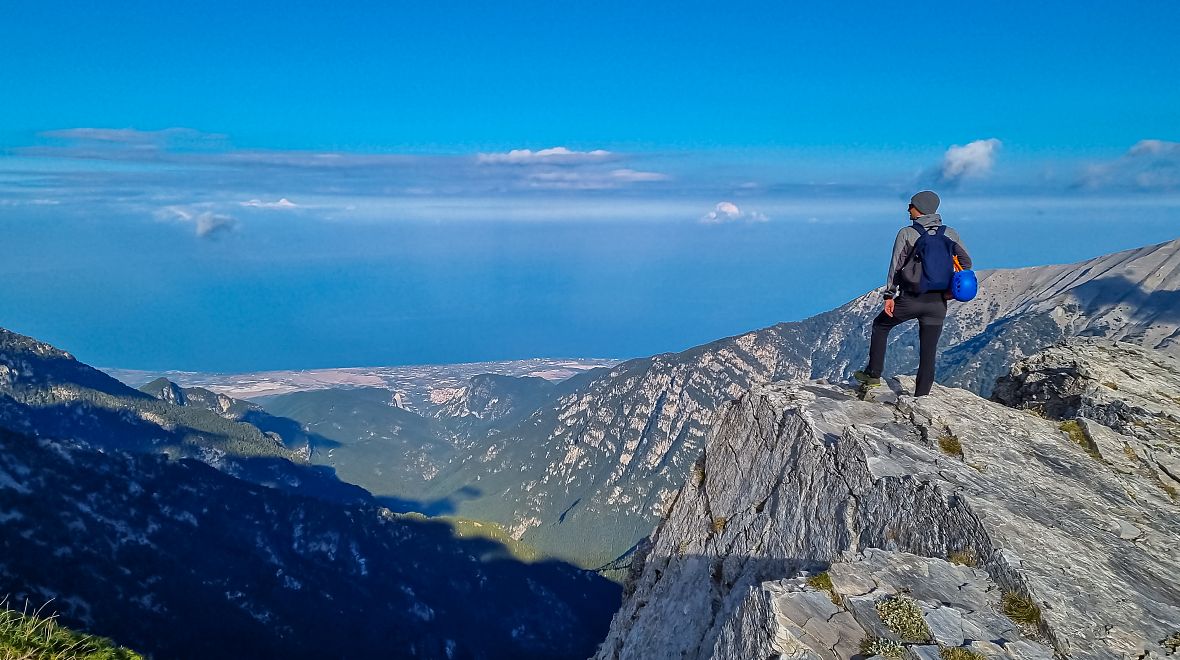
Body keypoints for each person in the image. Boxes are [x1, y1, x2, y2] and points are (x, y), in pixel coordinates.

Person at [853, 190, 972, 396]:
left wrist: (889, 296)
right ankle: (921, 397)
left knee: (880, 326)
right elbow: (966, 264)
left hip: (911, 299)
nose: (908, 208)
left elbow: (895, 266)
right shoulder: (950, 233)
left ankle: (873, 375)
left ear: (919, 208)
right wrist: (951, 292)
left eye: (911, 205)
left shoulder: (907, 234)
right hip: (938, 303)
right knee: (928, 352)